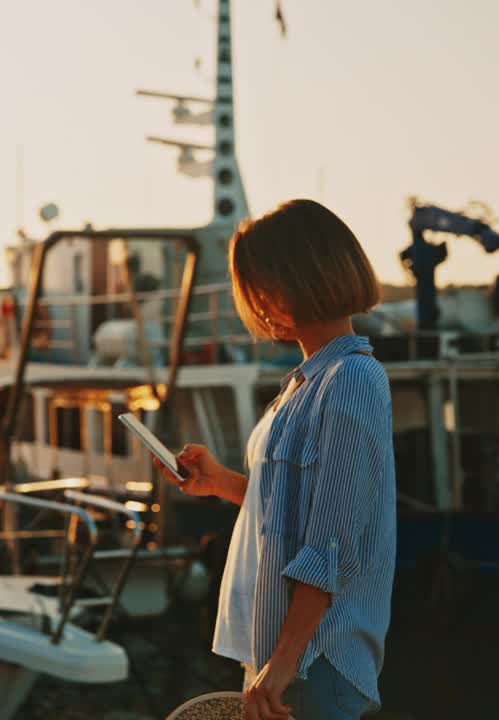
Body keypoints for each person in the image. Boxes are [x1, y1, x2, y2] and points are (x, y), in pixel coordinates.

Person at [153, 199, 396, 719]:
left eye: (257, 286)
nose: (256, 303)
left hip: (313, 659)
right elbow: (291, 512)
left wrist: (283, 665)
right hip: (282, 654)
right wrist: (221, 483)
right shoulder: (303, 386)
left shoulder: (349, 379)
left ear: (292, 281)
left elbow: (330, 546)